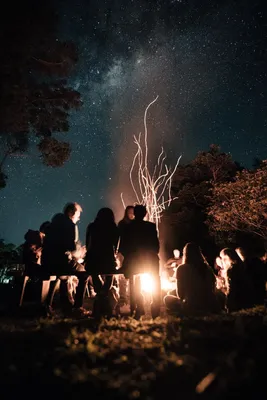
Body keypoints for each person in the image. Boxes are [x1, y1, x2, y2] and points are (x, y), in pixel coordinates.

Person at [41, 202, 89, 316]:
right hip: (61, 261)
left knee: (61, 276)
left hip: (47, 261)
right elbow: (71, 248)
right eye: (78, 214)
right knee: (84, 273)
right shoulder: (71, 225)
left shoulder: (52, 224)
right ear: (71, 212)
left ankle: (55, 305)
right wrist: (80, 252)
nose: (79, 217)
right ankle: (78, 307)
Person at [118, 204, 161, 319]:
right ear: (145, 214)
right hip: (150, 261)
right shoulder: (151, 226)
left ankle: (139, 305)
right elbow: (156, 248)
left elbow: (122, 248)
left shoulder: (127, 227)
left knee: (135, 278)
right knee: (156, 278)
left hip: (134, 262)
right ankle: (156, 306)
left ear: (134, 214)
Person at [164, 242, 218, 316]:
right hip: (209, 304)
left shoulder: (181, 268)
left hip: (192, 305)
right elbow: (213, 288)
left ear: (185, 254)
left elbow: (180, 294)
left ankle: (182, 313)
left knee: (167, 298)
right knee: (171, 293)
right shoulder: (207, 268)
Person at [85, 207, 119, 318]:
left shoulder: (91, 226)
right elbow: (116, 246)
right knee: (109, 277)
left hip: (93, 260)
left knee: (95, 276)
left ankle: (99, 305)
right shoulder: (113, 227)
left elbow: (87, 244)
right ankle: (104, 305)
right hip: (108, 260)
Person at [220, 247, 253, 312]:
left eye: (222, 258)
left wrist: (228, 303)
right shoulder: (242, 266)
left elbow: (231, 288)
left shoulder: (231, 270)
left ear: (226, 257)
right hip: (247, 298)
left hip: (237, 300)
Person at [116, 205, 135, 308]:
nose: (131, 214)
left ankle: (133, 296)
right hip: (123, 253)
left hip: (134, 254)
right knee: (123, 276)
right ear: (126, 213)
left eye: (133, 212)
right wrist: (117, 252)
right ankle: (123, 297)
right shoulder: (122, 224)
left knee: (134, 274)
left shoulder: (136, 225)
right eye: (129, 212)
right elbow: (117, 238)